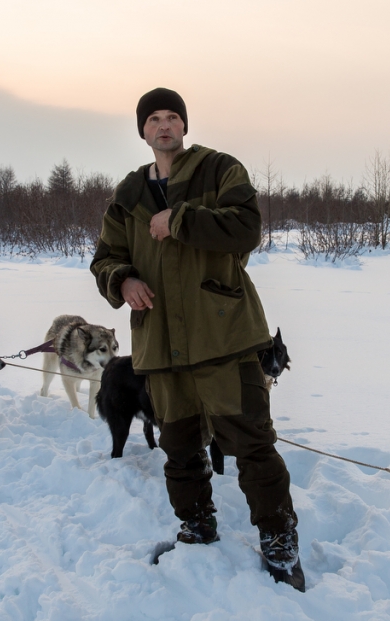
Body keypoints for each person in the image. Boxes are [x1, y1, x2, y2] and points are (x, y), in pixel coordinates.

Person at [90, 88, 304, 591]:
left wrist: (182, 220)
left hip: (223, 334)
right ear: (142, 130)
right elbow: (104, 257)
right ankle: (196, 524)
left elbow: (247, 228)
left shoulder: (219, 170)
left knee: (252, 444)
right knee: (179, 447)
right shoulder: (127, 194)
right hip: (160, 342)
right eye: (154, 120)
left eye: (172, 118)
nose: (164, 126)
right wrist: (122, 279)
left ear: (183, 125)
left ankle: (279, 539)